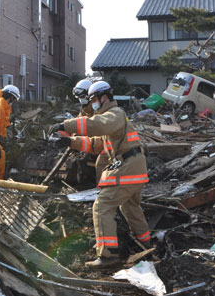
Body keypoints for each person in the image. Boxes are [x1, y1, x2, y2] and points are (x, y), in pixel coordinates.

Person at [50, 81, 150, 268]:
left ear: (104, 97)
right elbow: (95, 144)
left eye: (94, 99)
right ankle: (146, 244)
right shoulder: (111, 119)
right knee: (130, 208)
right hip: (135, 167)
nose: (92, 103)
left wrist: (66, 124)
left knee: (102, 206)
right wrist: (69, 142)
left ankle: (108, 255)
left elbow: (97, 125)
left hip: (128, 167)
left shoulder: (115, 114)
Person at [73, 78, 108, 185]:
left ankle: (101, 190)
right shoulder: (85, 109)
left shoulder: (100, 109)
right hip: (92, 142)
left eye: (82, 97)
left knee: (100, 165)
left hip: (104, 143)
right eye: (79, 98)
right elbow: (78, 123)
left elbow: (95, 126)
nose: (81, 99)